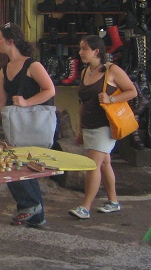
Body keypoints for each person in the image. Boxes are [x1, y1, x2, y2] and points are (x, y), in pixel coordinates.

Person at [0, 23, 55, 227]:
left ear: (11, 42)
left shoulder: (33, 65)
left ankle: (29, 205)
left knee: (20, 166)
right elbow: (1, 100)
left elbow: (50, 90)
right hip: (15, 126)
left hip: (32, 124)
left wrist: (27, 102)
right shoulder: (4, 69)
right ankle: (36, 214)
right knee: (18, 165)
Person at [68, 35, 137, 219]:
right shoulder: (85, 72)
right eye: (80, 48)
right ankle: (113, 201)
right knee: (105, 162)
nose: (80, 52)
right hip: (90, 125)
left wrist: (111, 98)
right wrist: (81, 128)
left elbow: (132, 91)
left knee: (93, 164)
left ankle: (86, 206)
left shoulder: (112, 70)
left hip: (106, 125)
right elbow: (83, 102)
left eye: (84, 49)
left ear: (96, 51)